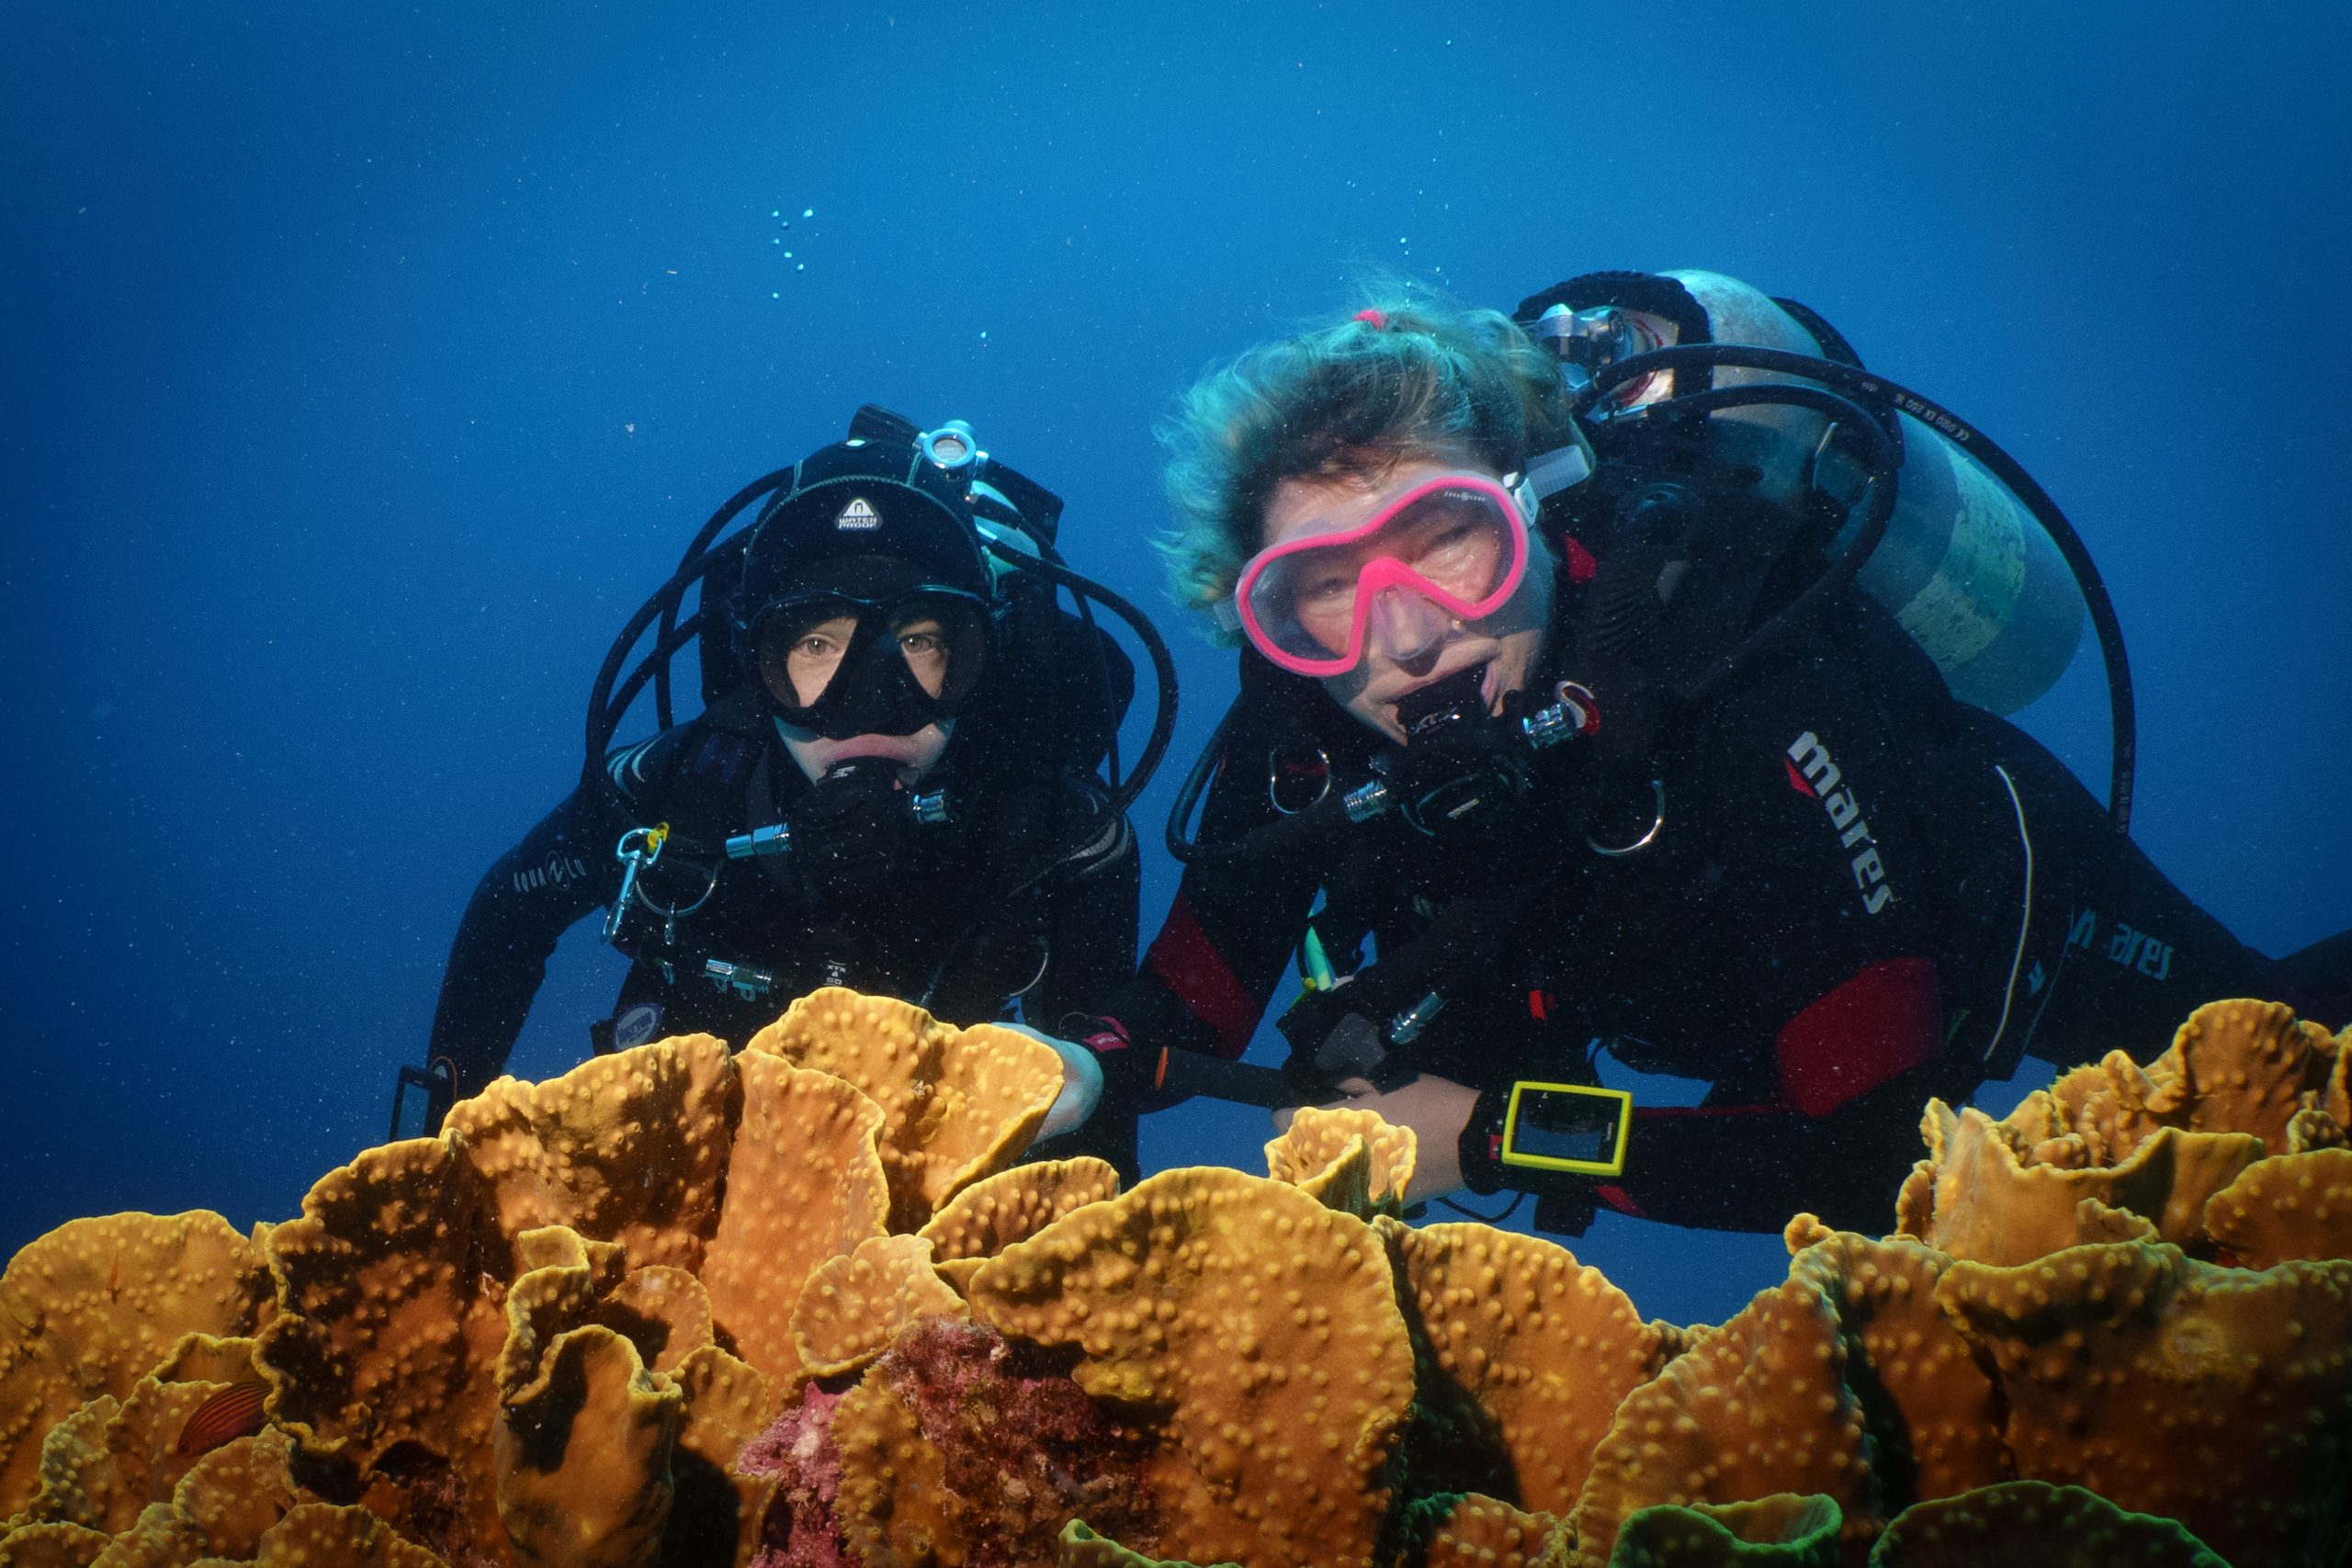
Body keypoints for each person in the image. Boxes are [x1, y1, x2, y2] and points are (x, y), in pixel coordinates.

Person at [1068, 272, 2350, 1234]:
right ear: (1267, 613)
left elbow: (1868, 1153)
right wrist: (1078, 1062)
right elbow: (1185, 997)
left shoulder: (1733, 677)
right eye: (1320, 590)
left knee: (2277, 1068)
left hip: (1999, 925)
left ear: (1538, 506)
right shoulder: (1305, 724)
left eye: (1447, 537)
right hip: (1716, 1031)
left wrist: (1501, 1140)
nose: (1403, 637)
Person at [404, 408, 1161, 1135]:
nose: (869, 705)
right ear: (756, 665)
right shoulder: (675, 794)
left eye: (921, 640)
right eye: (817, 646)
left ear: (977, 656)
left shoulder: (1059, 832)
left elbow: (1095, 1114)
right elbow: (509, 907)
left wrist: (1089, 1082)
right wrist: (440, 1137)